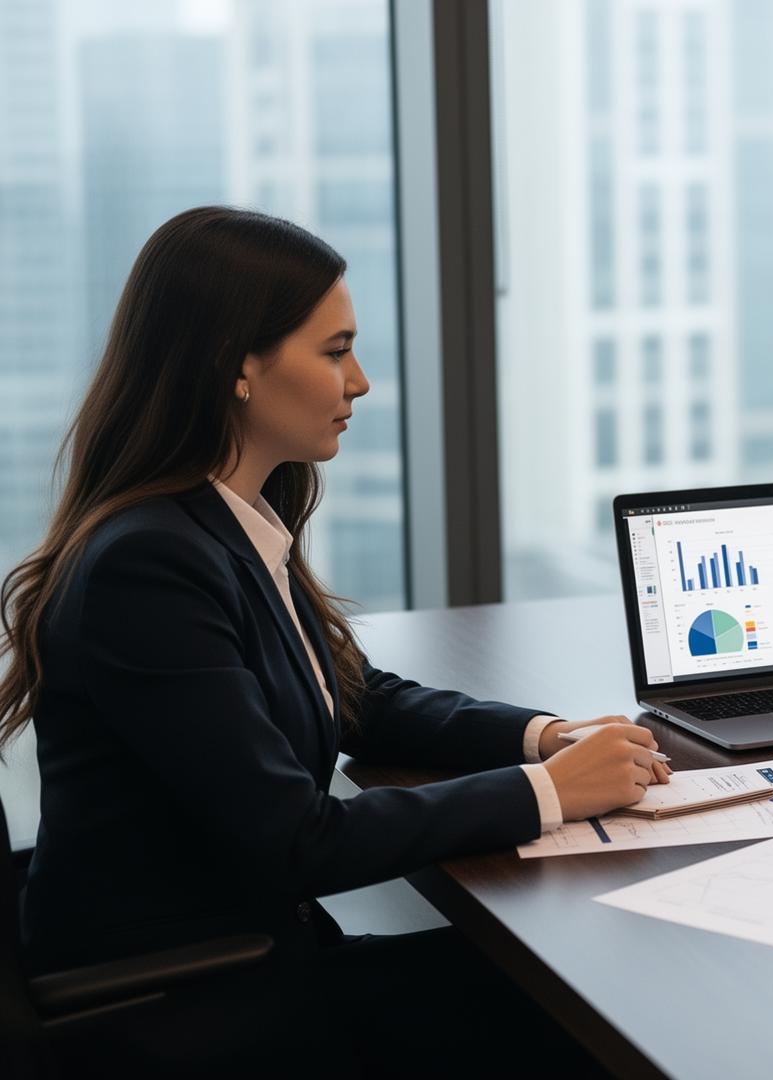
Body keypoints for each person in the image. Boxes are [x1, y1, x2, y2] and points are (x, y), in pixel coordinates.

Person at [0, 207, 671, 1072]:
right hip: (180, 1004)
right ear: (236, 365)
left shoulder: (227, 522)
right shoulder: (150, 567)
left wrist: (545, 736)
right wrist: (545, 791)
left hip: (249, 959)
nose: (358, 382)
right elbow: (298, 839)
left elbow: (357, 698)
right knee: (580, 1021)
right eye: (334, 350)